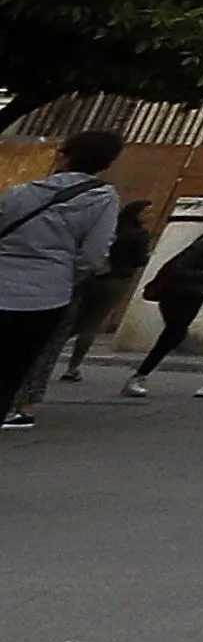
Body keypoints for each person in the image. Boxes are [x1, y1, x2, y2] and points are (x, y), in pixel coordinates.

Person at [0, 129, 124, 426]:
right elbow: (93, 255)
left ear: (64, 154)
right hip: (46, 296)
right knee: (14, 367)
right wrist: (66, 278)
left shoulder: (21, 192)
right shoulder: (103, 199)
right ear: (106, 163)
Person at [117, 212, 203, 397]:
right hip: (177, 292)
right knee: (175, 332)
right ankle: (139, 376)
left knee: (173, 334)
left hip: (197, 294)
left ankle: (140, 376)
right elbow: (180, 269)